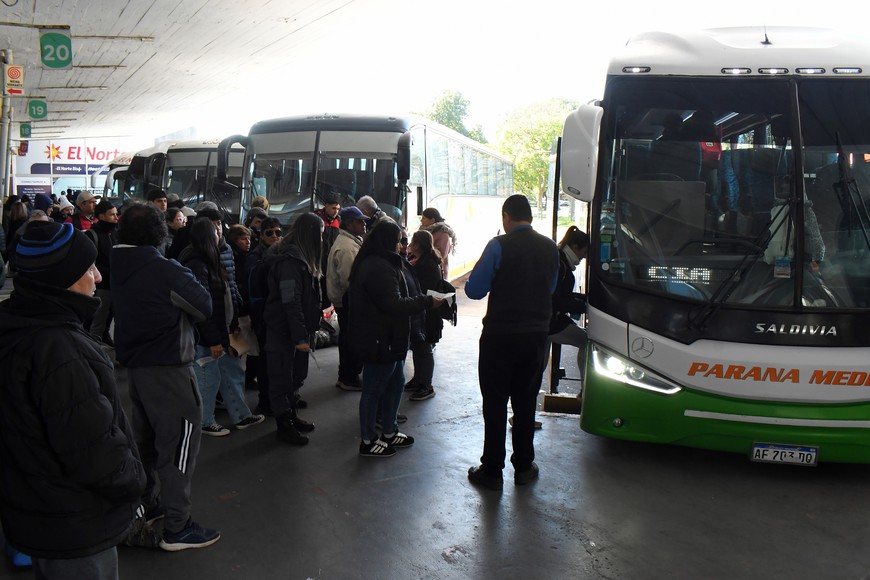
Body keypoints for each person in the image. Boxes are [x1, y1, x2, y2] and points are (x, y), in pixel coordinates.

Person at [0, 221, 145, 578]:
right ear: (63, 278)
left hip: (33, 508)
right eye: (89, 269)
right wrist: (136, 482)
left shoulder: (15, 323)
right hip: (76, 522)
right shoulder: (61, 350)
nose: (97, 278)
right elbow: (96, 453)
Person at [110, 202, 221, 551]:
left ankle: (148, 504)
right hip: (170, 371)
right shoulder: (164, 269)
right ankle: (178, 526)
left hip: (134, 371)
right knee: (179, 448)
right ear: (161, 233)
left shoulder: (117, 263)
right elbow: (204, 306)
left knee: (144, 446)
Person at [464, 194, 559, 489]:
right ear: (529, 216)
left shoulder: (498, 245)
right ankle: (524, 466)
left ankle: (492, 470)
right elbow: (551, 287)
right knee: (525, 400)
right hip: (535, 338)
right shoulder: (550, 248)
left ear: (506, 216)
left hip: (500, 337)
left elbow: (474, 290)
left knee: (495, 402)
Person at [348, 220, 443, 457]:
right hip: (380, 339)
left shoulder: (386, 262)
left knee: (394, 385)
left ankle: (389, 431)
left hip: (392, 338)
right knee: (374, 390)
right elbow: (393, 303)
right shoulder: (378, 266)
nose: (403, 245)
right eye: (400, 240)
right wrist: (426, 301)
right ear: (388, 241)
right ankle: (368, 440)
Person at [180, 219, 265, 437]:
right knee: (208, 378)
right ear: (208, 237)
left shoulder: (211, 258)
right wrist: (213, 340)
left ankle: (241, 415)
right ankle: (205, 421)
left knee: (232, 372)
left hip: (223, 329)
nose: (221, 234)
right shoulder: (196, 263)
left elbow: (225, 296)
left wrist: (233, 322)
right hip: (207, 335)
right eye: (217, 231)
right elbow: (203, 307)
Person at [263, 213, 324, 445]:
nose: (321, 239)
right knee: (280, 379)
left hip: (292, 329)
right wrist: (300, 336)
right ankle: (284, 425)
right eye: (318, 234)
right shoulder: (290, 262)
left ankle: (290, 416)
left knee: (292, 378)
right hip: (282, 330)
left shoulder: (298, 258)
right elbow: (290, 302)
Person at [244, 216, 283, 415]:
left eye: (278, 232)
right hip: (264, 317)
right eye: (269, 233)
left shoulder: (282, 253)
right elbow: (253, 292)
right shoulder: (255, 257)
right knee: (265, 362)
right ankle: (265, 401)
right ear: (261, 235)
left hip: (278, 316)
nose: (274, 236)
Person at [326, 206, 367, 391]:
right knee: (351, 340)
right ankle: (348, 377)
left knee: (348, 339)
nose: (364, 224)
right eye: (360, 221)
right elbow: (351, 281)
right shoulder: (347, 248)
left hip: (346, 301)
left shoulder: (350, 242)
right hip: (348, 301)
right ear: (349, 224)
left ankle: (347, 376)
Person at [405, 229, 445, 401]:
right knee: (419, 347)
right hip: (424, 311)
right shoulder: (424, 260)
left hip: (428, 312)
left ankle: (426, 385)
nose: (409, 246)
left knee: (424, 348)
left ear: (419, 245)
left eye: (412, 243)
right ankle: (419, 379)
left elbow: (422, 289)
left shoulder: (427, 264)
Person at [548, 226, 589, 382]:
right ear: (574, 247)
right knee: (586, 342)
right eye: (583, 253)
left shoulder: (558, 260)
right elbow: (556, 300)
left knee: (539, 367)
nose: (583, 258)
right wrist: (581, 306)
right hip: (551, 323)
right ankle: (585, 390)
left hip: (545, 321)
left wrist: (582, 298)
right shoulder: (561, 267)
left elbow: (558, 294)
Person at [86, 200, 120, 347]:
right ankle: (94, 348)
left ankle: (104, 335)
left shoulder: (114, 233)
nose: (116, 218)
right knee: (98, 319)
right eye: (112, 215)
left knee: (109, 315)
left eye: (116, 214)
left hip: (114, 283)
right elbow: (90, 261)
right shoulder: (92, 235)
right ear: (101, 216)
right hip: (102, 284)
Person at [315, 194, 341, 307]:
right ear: (326, 206)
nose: (336, 211)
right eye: (333, 208)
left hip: (331, 262)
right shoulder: (316, 219)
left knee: (328, 293)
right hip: (318, 261)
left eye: (338, 209)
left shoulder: (339, 221)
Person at [420, 207, 457, 278]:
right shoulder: (424, 231)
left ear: (432, 220)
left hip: (437, 272)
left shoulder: (443, 233)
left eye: (424, 218)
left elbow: (442, 255)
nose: (421, 220)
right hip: (426, 269)